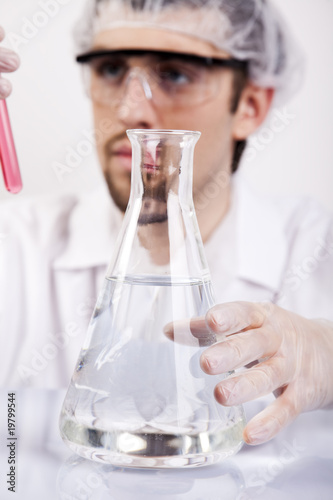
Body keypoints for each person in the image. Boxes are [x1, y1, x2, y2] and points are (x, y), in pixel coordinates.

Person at [0, 0, 332, 448]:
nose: (131, 111)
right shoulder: (17, 243)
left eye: (175, 73)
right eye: (112, 69)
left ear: (250, 105)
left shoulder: (315, 244)